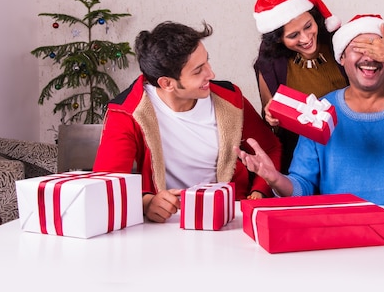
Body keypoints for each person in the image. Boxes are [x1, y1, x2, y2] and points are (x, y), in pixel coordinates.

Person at [237, 14, 384, 207]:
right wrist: (274, 178)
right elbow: (302, 187)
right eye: (359, 49)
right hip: (344, 233)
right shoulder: (320, 111)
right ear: (341, 58)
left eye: (376, 49)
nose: (369, 57)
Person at [93, 21, 282, 223]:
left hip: (229, 216)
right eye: (198, 70)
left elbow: (270, 149)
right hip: (168, 224)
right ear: (167, 83)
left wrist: (260, 191)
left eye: (207, 62)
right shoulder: (127, 112)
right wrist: (145, 202)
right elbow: (106, 187)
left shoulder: (230, 99)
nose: (211, 74)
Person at [253, 0, 384, 174]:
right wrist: (271, 115)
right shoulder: (270, 64)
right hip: (302, 160)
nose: (305, 38)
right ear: (278, 40)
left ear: (315, 18)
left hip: (352, 148)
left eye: (308, 26)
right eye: (293, 36)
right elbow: (272, 116)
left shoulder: (341, 42)